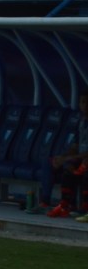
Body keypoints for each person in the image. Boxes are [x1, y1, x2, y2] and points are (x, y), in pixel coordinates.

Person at [42, 92, 88, 220]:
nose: (85, 105)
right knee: (60, 165)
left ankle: (85, 207)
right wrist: (62, 157)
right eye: (83, 102)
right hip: (80, 158)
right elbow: (75, 146)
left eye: (87, 102)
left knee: (85, 171)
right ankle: (62, 205)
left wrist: (68, 158)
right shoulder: (81, 121)